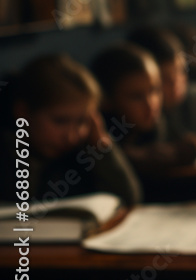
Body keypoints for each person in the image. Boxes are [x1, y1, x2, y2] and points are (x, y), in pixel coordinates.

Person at [0, 55, 141, 205]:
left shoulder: (82, 152)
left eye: (82, 121)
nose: (72, 137)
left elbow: (129, 199)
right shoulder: (6, 154)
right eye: (60, 121)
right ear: (22, 112)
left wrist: (101, 145)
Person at [90, 44, 196, 184]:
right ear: (107, 100)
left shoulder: (156, 126)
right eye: (136, 96)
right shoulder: (99, 142)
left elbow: (189, 147)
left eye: (154, 90)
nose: (151, 104)